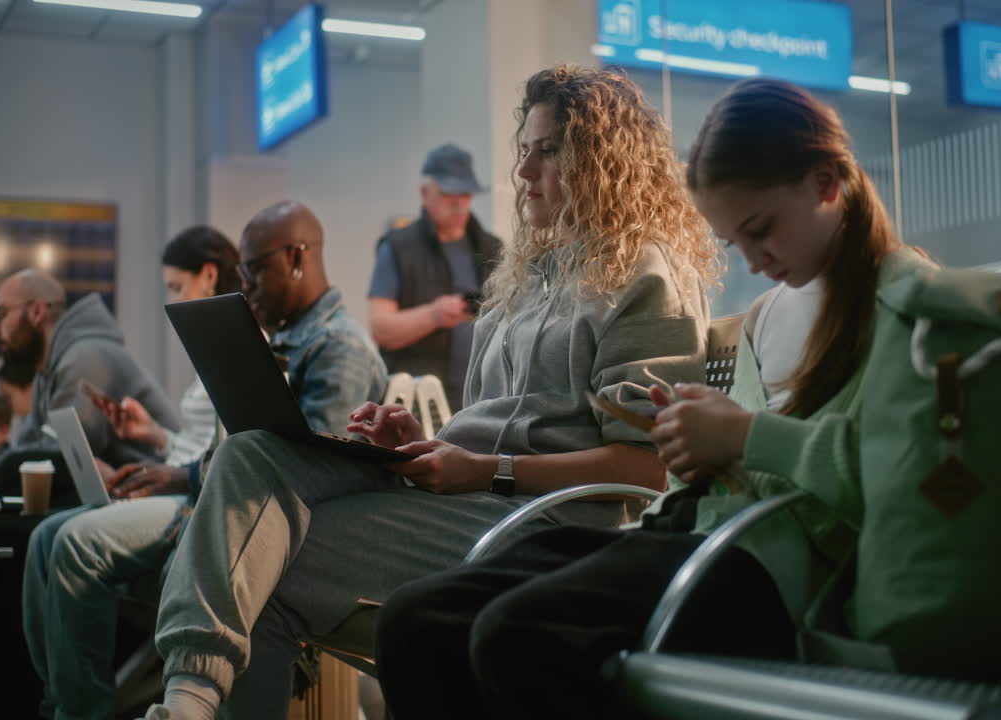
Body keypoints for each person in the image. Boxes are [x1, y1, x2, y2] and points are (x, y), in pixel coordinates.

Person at [143, 64, 719, 720]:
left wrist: (488, 469)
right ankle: (185, 706)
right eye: (524, 151)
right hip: (473, 498)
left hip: (544, 525)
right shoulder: (526, 275)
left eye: (549, 151)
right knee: (251, 453)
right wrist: (424, 443)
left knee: (256, 566)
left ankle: (182, 708)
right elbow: (487, 422)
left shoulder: (646, 276)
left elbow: (647, 467)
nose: (524, 171)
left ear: (604, 161)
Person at [373, 77, 934, 720]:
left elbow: (898, 481)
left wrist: (743, 439)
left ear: (826, 184)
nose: (752, 260)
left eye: (761, 229)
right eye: (735, 243)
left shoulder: (909, 303)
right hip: (694, 531)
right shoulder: (772, 311)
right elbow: (747, 469)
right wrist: (700, 446)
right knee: (415, 619)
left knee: (517, 634)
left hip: (767, 566)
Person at [19, 226, 245, 720]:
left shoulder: (241, 339)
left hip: (197, 493)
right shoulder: (213, 338)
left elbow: (227, 455)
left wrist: (172, 470)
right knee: (44, 535)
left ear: (208, 275)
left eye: (176, 287)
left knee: (73, 541)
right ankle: (59, 697)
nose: (173, 300)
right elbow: (199, 442)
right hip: (181, 473)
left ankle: (83, 709)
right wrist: (152, 435)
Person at [0, 269, 179, 498]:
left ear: (36, 312)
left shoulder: (86, 358)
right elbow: (30, 450)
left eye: (1, 315)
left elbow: (60, 461)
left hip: (154, 498)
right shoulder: (48, 371)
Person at [367, 143, 503, 411]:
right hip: (417, 405)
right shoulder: (397, 247)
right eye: (448, 193)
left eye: (465, 193)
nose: (458, 203)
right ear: (424, 193)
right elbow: (381, 328)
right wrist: (434, 315)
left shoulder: (493, 249)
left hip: (482, 400)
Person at [0, 359, 36, 444]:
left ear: (28, 389)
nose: (5, 403)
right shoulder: (25, 422)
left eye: (8, 397)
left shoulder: (40, 427)